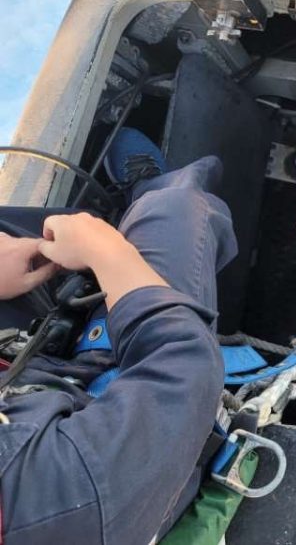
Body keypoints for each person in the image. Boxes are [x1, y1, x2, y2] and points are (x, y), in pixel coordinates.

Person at [0, 128, 237, 545]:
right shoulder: (50, 504)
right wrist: (108, 254)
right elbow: (182, 371)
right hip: (115, 431)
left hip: (25, 388)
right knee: (175, 209)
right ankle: (144, 200)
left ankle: (104, 228)